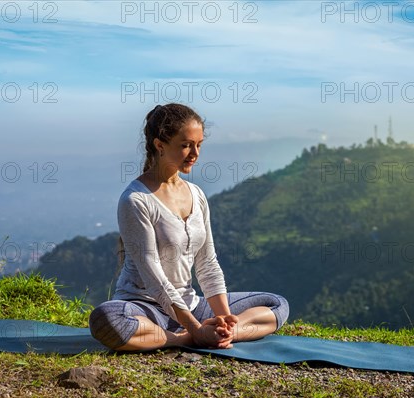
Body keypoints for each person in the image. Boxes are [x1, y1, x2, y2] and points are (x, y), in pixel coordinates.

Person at [89, 103, 289, 351]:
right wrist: (194, 330)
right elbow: (155, 280)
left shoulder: (197, 194)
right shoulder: (136, 200)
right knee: (107, 319)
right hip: (146, 307)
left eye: (199, 144)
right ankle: (185, 338)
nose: (195, 153)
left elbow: (207, 262)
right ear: (159, 145)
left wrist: (224, 320)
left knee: (276, 304)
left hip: (191, 305)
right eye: (185, 145)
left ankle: (222, 334)